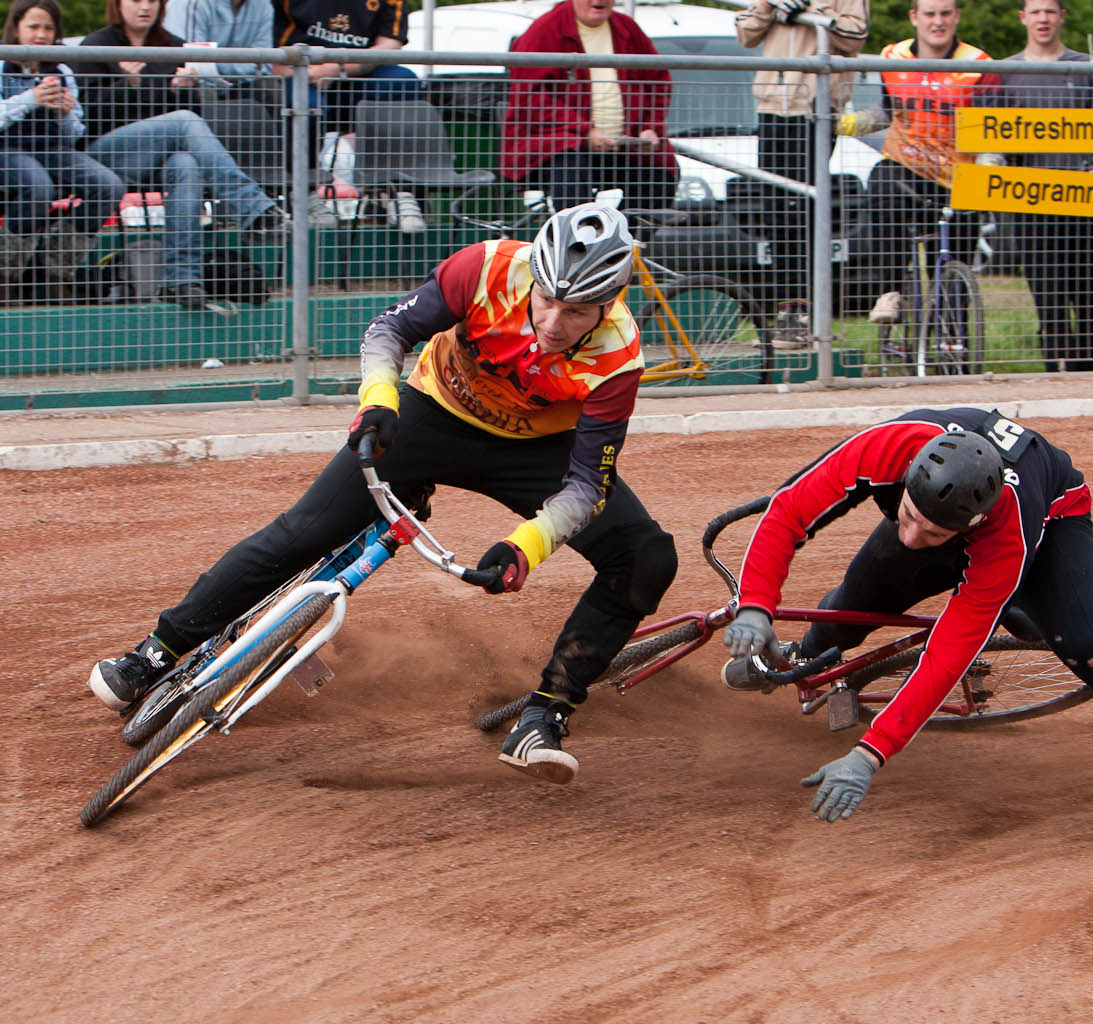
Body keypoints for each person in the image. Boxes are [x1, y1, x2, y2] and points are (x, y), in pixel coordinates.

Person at [87, 202, 679, 785]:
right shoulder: (486, 268)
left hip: (536, 451)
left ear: (608, 303)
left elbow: (585, 485)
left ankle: (545, 714)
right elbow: (388, 330)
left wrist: (528, 544)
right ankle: (155, 654)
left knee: (644, 558)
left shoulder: (617, 357)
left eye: (576, 313)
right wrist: (379, 399)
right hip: (434, 413)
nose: (552, 324)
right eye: (547, 300)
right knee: (305, 531)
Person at [720, 407, 1093, 836]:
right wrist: (756, 605)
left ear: (969, 526)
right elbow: (789, 511)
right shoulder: (890, 446)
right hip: (963, 521)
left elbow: (946, 657)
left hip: (1052, 521)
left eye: (930, 532)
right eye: (907, 516)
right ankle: (802, 658)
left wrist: (870, 753)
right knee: (855, 602)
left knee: (1085, 644)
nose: (910, 536)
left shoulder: (1003, 539)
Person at [74, 0, 289, 310]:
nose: (144, 7)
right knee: (183, 120)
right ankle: (253, 209)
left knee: (186, 163)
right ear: (117, 5)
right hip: (105, 155)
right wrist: (128, 85)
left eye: (152, 1)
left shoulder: (173, 46)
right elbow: (89, 114)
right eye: (135, 0)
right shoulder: (96, 45)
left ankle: (181, 281)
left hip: (159, 158)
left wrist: (184, 89)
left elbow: (195, 123)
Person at [990, 0, 1093, 372]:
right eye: (1035, 11)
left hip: (1085, 202)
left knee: (1090, 300)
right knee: (1048, 300)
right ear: (1023, 18)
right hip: (1030, 204)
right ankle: (1055, 377)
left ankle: (1089, 380)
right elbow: (991, 136)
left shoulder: (1086, 68)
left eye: (1050, 10)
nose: (1043, 18)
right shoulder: (1005, 72)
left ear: (1062, 16)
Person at [734, 0, 867, 345]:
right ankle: (785, 314)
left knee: (803, 213)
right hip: (771, 108)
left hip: (815, 110)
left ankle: (807, 314)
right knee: (777, 214)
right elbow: (745, 34)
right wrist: (767, 6)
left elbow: (855, 36)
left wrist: (813, 15)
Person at [859, 0, 999, 327]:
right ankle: (891, 292)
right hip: (906, 170)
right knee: (881, 181)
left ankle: (954, 348)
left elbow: (991, 130)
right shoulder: (893, 57)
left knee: (952, 284)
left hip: (957, 181)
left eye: (945, 13)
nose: (938, 22)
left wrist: (989, 172)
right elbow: (885, 110)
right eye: (930, 14)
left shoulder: (978, 64)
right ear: (914, 17)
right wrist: (847, 124)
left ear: (957, 16)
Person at [500, 0, 680, 217]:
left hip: (622, 147)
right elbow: (529, 98)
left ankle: (625, 244)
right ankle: (579, 245)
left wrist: (650, 128)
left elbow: (658, 80)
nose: (598, 1)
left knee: (662, 171)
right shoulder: (545, 29)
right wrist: (584, 131)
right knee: (571, 169)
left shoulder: (627, 27)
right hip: (555, 149)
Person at [0, 0, 124, 293]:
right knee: (39, 187)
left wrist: (66, 112)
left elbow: (73, 135)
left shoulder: (62, 70)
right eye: (33, 26)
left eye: (48, 27)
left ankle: (56, 268)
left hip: (52, 149)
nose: (41, 34)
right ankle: (7, 272)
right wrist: (31, 98)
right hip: (8, 149)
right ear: (16, 28)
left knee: (109, 186)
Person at [270, 0, 421, 128]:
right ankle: (305, 162)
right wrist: (306, 73)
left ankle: (379, 160)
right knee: (307, 106)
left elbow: (390, 45)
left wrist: (334, 69)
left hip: (359, 76)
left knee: (401, 80)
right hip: (303, 74)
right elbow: (274, 55)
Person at [161, 0, 274, 86]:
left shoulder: (263, 4)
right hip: (193, 85)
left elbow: (265, 65)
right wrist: (246, 64)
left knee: (269, 87)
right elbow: (195, 64)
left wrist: (217, 66)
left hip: (240, 83)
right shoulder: (191, 3)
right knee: (203, 92)